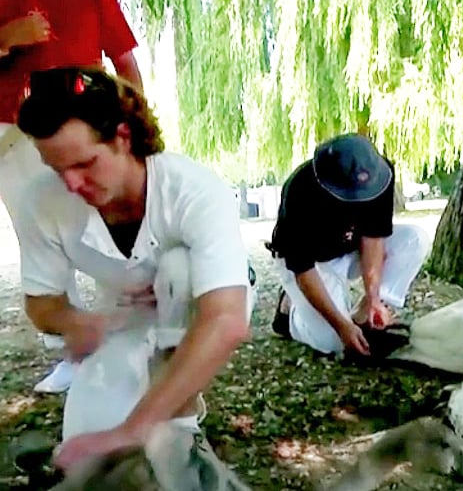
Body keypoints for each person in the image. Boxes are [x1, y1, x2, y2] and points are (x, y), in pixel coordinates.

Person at [14, 67, 254, 485]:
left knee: (179, 269)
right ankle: (160, 414)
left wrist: (132, 428)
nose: (72, 184)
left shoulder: (193, 189)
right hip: (123, 314)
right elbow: (41, 303)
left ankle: (179, 411)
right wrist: (78, 322)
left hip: (196, 303)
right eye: (57, 169)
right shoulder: (42, 200)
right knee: (90, 454)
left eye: (85, 163)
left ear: (123, 138)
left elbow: (227, 319)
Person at [0, 0, 143, 394]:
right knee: (37, 232)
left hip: (86, 124)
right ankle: (74, 353)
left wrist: (135, 125)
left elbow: (125, 59)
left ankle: (131, 337)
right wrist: (5, 37)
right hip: (10, 134)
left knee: (113, 229)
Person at [269, 133, 430, 357]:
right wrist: (341, 326)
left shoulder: (379, 175)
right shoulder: (300, 189)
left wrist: (373, 298)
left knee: (415, 239)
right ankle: (290, 315)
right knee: (333, 342)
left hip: (349, 249)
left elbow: (373, 238)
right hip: (312, 266)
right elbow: (303, 269)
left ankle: (366, 316)